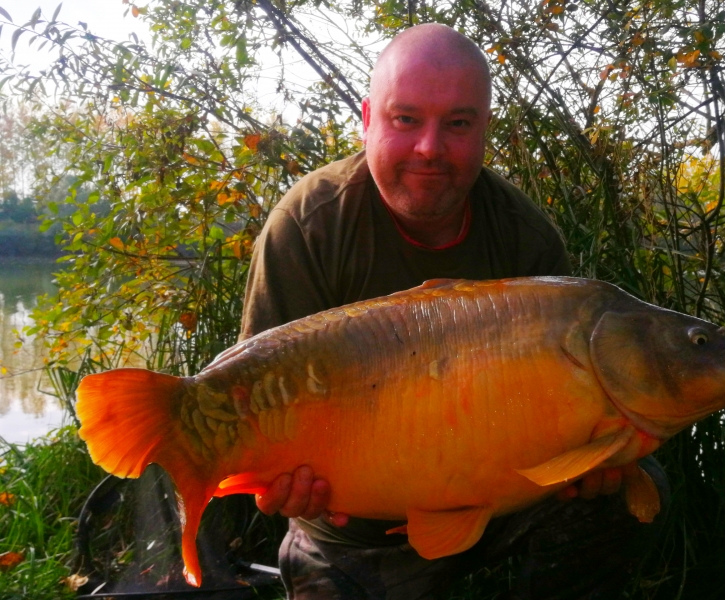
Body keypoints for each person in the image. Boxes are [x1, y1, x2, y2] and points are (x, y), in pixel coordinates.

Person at [238, 23, 668, 600]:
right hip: (354, 527)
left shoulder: (525, 240)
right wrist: (274, 479)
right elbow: (252, 398)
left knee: (633, 488)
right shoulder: (309, 226)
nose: (429, 149)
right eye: (405, 119)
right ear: (367, 119)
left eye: (458, 124)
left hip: (508, 501)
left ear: (484, 130)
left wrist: (595, 460)